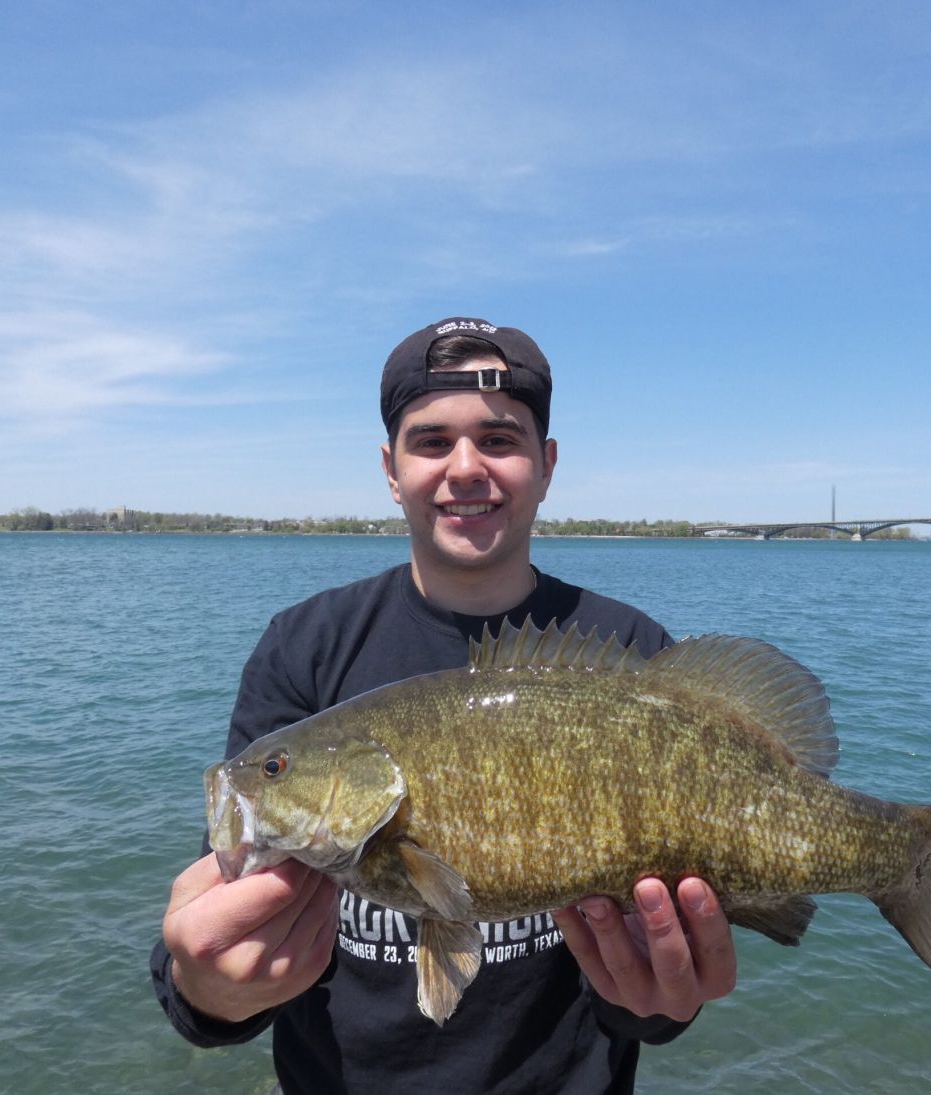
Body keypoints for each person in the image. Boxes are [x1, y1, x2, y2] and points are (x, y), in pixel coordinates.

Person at [150, 317, 738, 1093]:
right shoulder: (304, 649)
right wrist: (210, 990)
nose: (466, 467)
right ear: (391, 469)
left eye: (500, 439)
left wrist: (661, 1002)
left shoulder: (632, 654)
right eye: (431, 441)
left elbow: (651, 1004)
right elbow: (217, 955)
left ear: (546, 464)